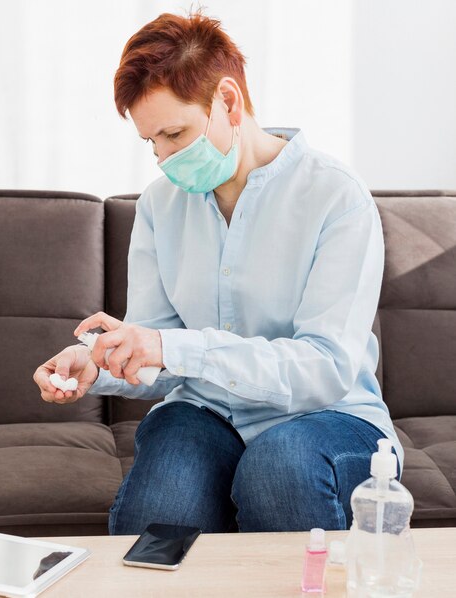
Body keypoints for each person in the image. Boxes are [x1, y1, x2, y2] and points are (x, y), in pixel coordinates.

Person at [33, 10, 404, 535]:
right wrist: (98, 362)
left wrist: (175, 347)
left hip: (329, 417)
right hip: (207, 414)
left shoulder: (336, 197)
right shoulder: (161, 205)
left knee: (278, 469)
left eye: (174, 134)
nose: (162, 158)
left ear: (227, 102)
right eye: (150, 142)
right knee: (158, 515)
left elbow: (325, 368)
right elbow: (154, 348)